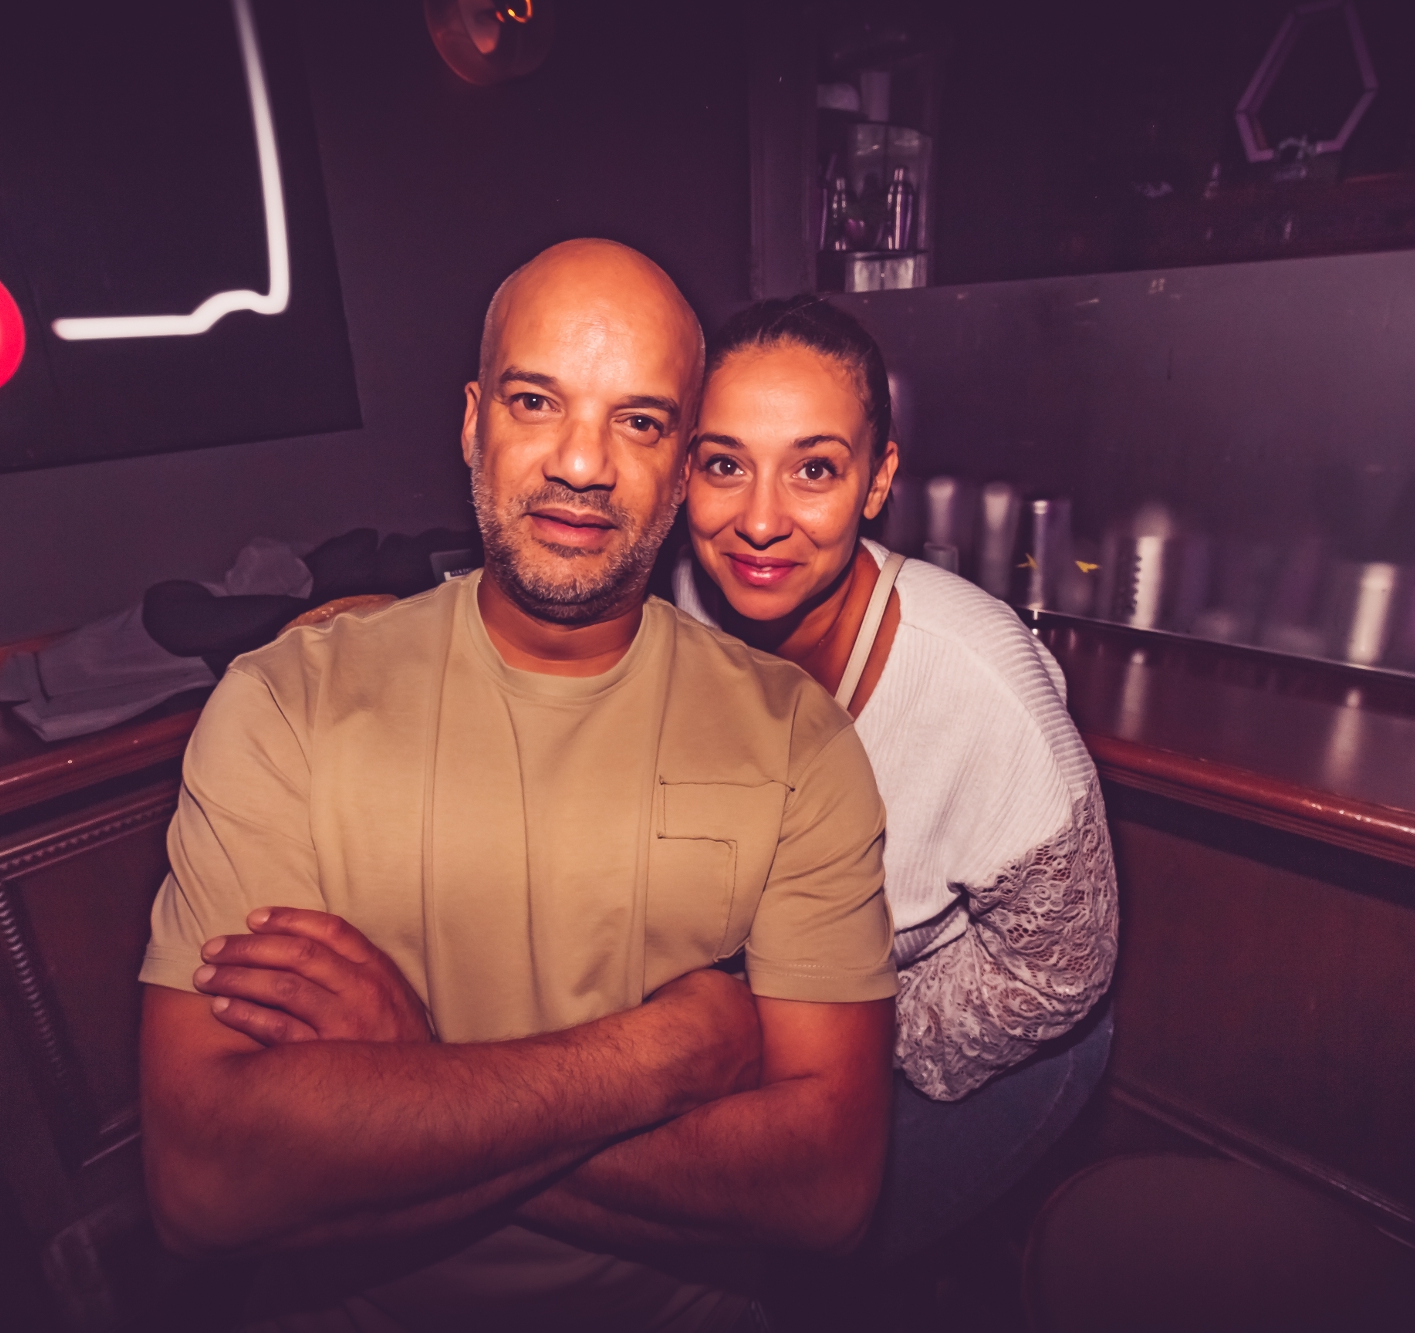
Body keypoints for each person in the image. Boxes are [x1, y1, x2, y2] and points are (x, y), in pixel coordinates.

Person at [136, 241, 899, 1332]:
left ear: (685, 459)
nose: (582, 463)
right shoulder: (285, 705)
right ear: (471, 422)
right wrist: (661, 1057)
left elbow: (825, 1190)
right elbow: (206, 1181)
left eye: (639, 421)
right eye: (536, 401)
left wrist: (406, 1090)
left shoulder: (795, 740)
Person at [670, 296, 1119, 1263]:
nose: (759, 521)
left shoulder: (980, 681)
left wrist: (812, 1032)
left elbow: (1061, 971)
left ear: (877, 480)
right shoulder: (677, 612)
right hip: (780, 1018)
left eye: (814, 469)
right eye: (724, 464)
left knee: (791, 1268)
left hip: (987, 1042)